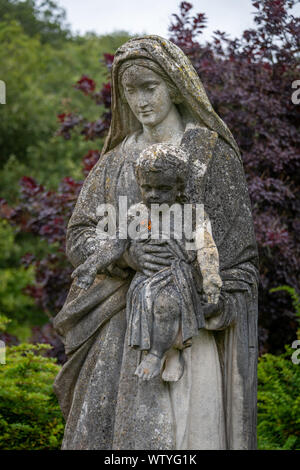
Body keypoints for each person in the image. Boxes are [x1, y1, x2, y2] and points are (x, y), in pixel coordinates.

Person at [53, 36, 259, 450]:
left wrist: (210, 289)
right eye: (131, 91)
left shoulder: (209, 154)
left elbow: (240, 256)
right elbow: (79, 235)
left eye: (151, 87)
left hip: (188, 331)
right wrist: (127, 254)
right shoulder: (114, 161)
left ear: (175, 86)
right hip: (117, 332)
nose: (141, 102)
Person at [71, 142, 222, 381]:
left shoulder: (192, 214)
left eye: (162, 188)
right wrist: (91, 266)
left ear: (178, 187)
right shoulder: (136, 213)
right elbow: (115, 244)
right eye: (147, 187)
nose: (153, 194)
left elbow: (206, 245)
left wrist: (212, 276)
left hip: (178, 275)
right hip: (146, 278)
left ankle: (156, 354)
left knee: (167, 306)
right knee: (153, 306)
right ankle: (171, 351)